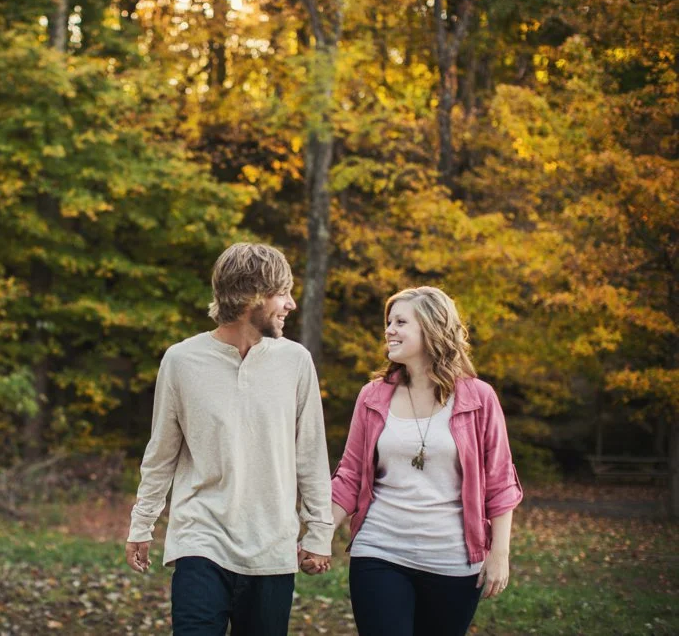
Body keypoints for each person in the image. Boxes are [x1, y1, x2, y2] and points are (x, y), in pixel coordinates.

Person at [124, 242, 334, 636]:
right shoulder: (182, 361)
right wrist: (142, 523)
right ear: (251, 296)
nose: (290, 305)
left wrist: (319, 531)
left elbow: (311, 456)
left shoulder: (296, 362)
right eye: (282, 293)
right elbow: (162, 453)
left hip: (271, 548)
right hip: (200, 539)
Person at [327, 286, 523, 636]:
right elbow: (350, 475)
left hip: (454, 561)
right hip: (380, 550)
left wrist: (500, 553)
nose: (388, 330)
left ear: (431, 329)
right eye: (389, 322)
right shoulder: (373, 396)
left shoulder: (479, 398)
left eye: (400, 322)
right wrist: (320, 533)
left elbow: (500, 482)